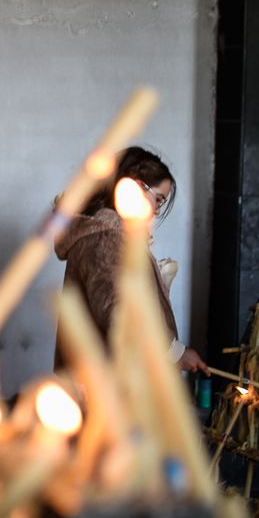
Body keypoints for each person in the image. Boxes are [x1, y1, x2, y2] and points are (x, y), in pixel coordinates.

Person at [53, 145, 207, 374]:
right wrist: (175, 352)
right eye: (159, 199)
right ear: (133, 186)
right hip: (105, 390)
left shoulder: (110, 236)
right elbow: (120, 314)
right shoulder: (105, 238)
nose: (156, 210)